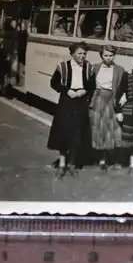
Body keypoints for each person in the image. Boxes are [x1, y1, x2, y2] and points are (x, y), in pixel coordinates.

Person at [47, 42, 95, 180]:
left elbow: (92, 85)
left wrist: (84, 91)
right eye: (79, 53)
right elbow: (54, 83)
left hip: (81, 101)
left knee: (77, 132)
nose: (82, 56)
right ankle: (62, 164)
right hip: (66, 100)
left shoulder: (89, 68)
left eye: (84, 53)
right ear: (72, 54)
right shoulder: (63, 67)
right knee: (64, 131)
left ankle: (73, 164)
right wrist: (67, 91)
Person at [90, 45, 128, 171]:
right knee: (98, 128)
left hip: (111, 99)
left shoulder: (119, 69)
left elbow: (123, 86)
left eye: (111, 55)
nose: (108, 58)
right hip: (97, 98)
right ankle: (99, 156)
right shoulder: (95, 67)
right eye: (105, 55)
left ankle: (107, 157)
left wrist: (123, 97)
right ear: (101, 55)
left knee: (110, 129)